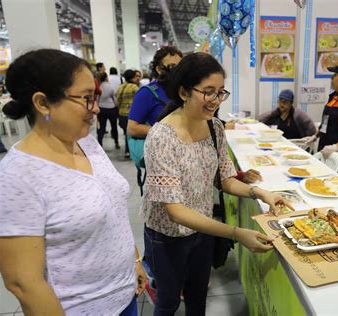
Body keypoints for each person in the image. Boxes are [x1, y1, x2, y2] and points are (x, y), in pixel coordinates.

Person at [142, 52, 292, 315]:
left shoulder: (214, 128)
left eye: (221, 92)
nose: (215, 100)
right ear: (184, 92)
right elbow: (174, 211)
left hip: (203, 229)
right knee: (168, 301)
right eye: (208, 92)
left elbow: (226, 179)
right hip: (167, 237)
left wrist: (259, 192)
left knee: (198, 296)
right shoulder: (161, 137)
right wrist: (235, 233)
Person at [0, 49, 146, 315]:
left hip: (124, 297)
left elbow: (114, 211)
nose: (96, 108)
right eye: (86, 99)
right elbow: (23, 283)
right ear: (42, 103)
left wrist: (135, 260)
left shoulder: (86, 142)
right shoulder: (17, 176)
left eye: (96, 97)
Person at [128, 46, 183, 139]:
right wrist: (167, 132)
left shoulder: (184, 90)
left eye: (180, 67)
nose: (178, 71)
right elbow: (132, 128)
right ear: (159, 69)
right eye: (173, 66)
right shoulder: (146, 93)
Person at [116, 69, 141, 158]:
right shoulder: (135, 88)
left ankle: (128, 150)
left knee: (126, 133)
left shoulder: (121, 86)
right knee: (130, 134)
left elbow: (117, 101)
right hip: (131, 115)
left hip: (121, 114)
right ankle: (130, 151)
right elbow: (139, 101)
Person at [97, 72, 120, 148]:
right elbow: (114, 98)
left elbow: (97, 99)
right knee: (114, 127)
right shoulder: (110, 87)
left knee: (102, 128)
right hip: (111, 109)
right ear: (106, 77)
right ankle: (116, 142)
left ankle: (100, 144)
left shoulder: (99, 87)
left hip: (101, 109)